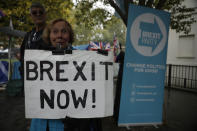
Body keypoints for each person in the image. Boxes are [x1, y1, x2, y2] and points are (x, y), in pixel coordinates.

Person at [19, 2, 47, 93]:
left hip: (47, 82)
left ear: (45, 14)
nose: (38, 14)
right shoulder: (28, 35)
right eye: (34, 13)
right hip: (29, 82)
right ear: (31, 16)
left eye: (41, 12)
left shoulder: (52, 33)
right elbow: (22, 55)